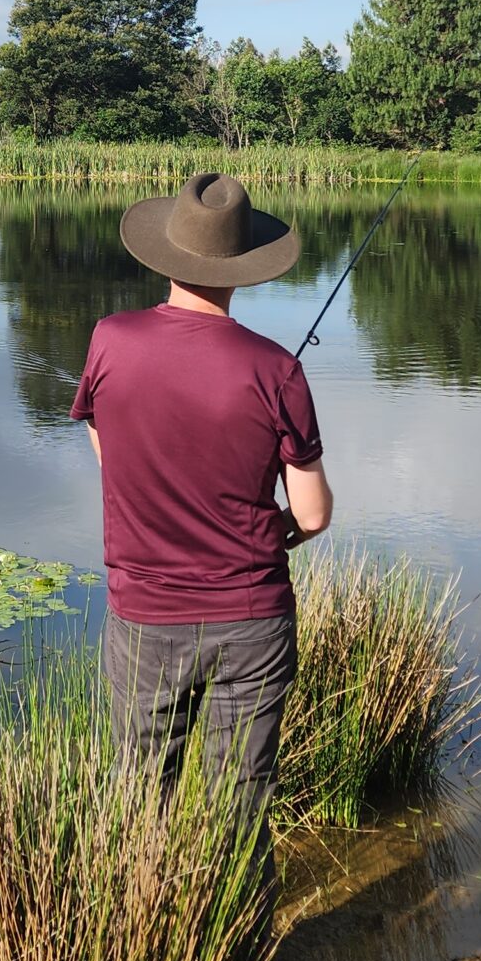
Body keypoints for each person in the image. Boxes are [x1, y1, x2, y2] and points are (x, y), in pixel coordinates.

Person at [72, 171, 333, 850]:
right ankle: (236, 919)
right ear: (242, 268)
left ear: (167, 252)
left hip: (143, 614)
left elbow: (103, 438)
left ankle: (142, 914)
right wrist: (275, 528)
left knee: (138, 797)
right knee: (236, 813)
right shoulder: (276, 369)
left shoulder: (110, 338)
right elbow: (312, 514)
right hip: (250, 620)